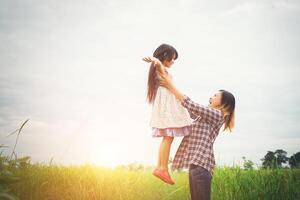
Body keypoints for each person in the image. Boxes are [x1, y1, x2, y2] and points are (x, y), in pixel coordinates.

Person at [158, 69, 236, 200]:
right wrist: (168, 91)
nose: (211, 97)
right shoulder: (202, 117)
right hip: (195, 166)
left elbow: (190, 104)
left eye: (215, 95)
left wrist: (169, 84)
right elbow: (186, 109)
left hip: (202, 167)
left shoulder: (217, 115)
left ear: (224, 103)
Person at [143, 44, 194, 185]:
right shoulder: (160, 68)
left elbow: (159, 65)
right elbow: (159, 65)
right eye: (172, 59)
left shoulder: (159, 71)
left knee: (168, 137)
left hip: (165, 107)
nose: (173, 62)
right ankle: (162, 168)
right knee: (168, 137)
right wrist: (155, 60)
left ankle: (161, 167)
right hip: (167, 108)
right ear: (165, 56)